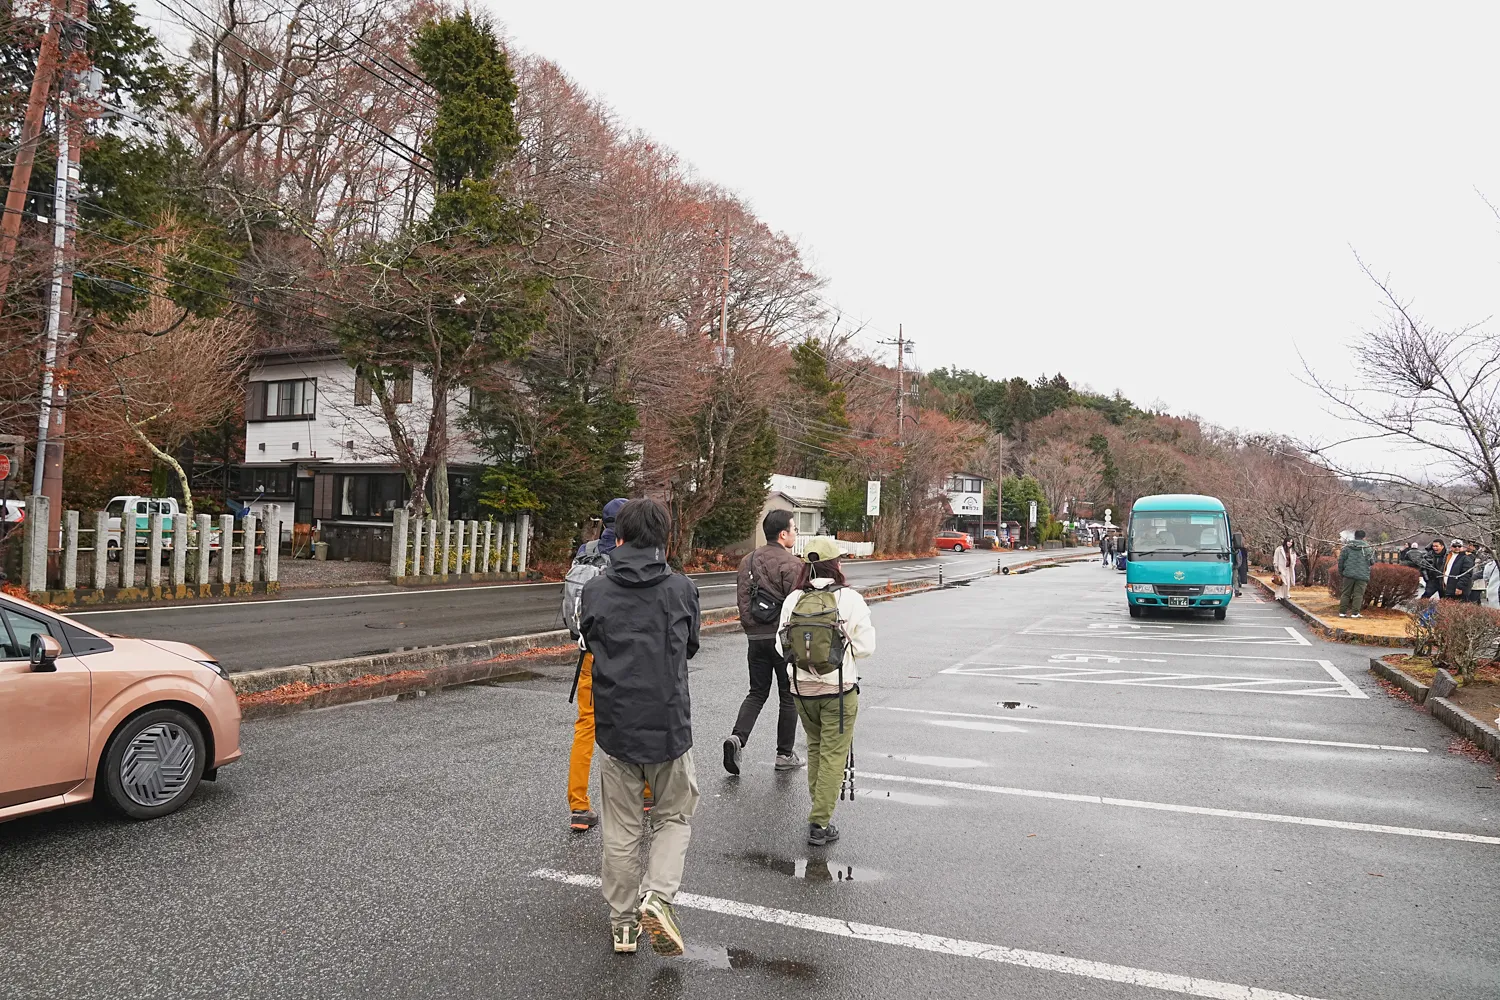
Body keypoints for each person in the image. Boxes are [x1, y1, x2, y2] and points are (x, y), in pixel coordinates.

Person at [578, 498, 702, 957]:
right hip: (669, 724)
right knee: (673, 816)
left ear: (620, 536)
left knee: (621, 828)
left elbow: (589, 641)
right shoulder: (682, 589)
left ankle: (623, 925)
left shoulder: (596, 590)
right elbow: (690, 647)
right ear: (665, 539)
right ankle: (659, 894)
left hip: (616, 726)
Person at [776, 536, 875, 847]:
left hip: (801, 692)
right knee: (834, 753)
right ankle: (819, 823)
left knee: (816, 748)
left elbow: (781, 646)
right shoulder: (851, 599)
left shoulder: (793, 600)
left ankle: (818, 809)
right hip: (839, 691)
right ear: (837, 565)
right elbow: (865, 648)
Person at [563, 497, 637, 833]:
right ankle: (646, 794)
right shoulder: (629, 556)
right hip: (622, 656)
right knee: (635, 721)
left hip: (588, 653)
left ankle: (578, 806)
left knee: (586, 727)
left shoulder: (585, 551)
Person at [724, 509, 806, 775]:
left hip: (755, 637)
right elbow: (797, 605)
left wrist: (752, 628)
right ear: (783, 534)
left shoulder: (747, 561)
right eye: (794, 529)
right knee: (788, 695)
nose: (795, 533)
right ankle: (784, 754)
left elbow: (743, 600)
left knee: (757, 692)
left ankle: (737, 738)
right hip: (781, 638)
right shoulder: (793, 564)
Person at [1336, 530, 1375, 618]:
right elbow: (1372, 562)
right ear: (1364, 538)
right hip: (1362, 575)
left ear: (1354, 536)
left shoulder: (1347, 547)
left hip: (1348, 574)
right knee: (1358, 594)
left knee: (1346, 593)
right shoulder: (1368, 548)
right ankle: (1355, 613)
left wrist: (1341, 572)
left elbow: (1341, 561)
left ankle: (1342, 612)